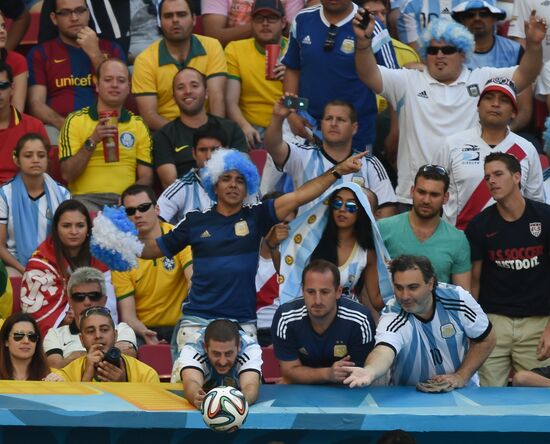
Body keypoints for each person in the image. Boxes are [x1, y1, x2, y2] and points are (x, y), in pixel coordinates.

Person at [139, 146, 369, 352]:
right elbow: (152, 250)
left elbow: (300, 196)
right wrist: (117, 244)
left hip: (242, 322)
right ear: (214, 185)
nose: (233, 184)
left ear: (247, 185)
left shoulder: (256, 216)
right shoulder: (194, 221)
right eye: (226, 178)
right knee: (189, 384)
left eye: (240, 180)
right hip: (197, 320)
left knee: (248, 388)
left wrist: (337, 171)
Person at [353, 12, 546, 206]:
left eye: (447, 49)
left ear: (462, 53)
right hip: (416, 196)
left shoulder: (480, 79)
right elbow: (369, 74)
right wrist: (362, 44)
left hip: (465, 196)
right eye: (432, 50)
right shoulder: (407, 80)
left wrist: (534, 46)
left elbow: (525, 74)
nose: (439, 55)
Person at [343, 255, 495, 388]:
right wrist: (370, 371)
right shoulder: (393, 313)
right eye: (399, 288)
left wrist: (461, 376)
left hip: (461, 389)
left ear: (430, 283)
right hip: (409, 395)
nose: (405, 296)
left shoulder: (458, 299)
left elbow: (487, 339)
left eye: (413, 287)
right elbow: (384, 350)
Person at [466, 152, 550, 386]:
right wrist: (476, 330)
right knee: (490, 402)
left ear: (517, 176)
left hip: (539, 322)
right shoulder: (479, 225)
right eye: (487, 177)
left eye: (498, 174)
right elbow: (474, 282)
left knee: (540, 401)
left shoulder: (545, 218)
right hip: (495, 323)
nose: (491, 180)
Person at [282, 0, 398, 151]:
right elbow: (293, 69)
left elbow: (395, 84)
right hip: (307, 130)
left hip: (356, 135)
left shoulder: (370, 25)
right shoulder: (302, 20)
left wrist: (395, 131)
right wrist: (292, 113)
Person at [435, 78, 544, 229]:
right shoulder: (452, 144)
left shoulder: (527, 149)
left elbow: (536, 203)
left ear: (514, 112)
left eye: (504, 100)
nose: (495, 104)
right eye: (488, 98)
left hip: (512, 243)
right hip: (461, 241)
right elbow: (434, 193)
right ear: (478, 106)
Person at [264, 97, 396, 217]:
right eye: (328, 118)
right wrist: (277, 118)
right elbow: (273, 147)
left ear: (354, 128)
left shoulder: (370, 164)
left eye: (340, 119)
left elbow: (386, 211)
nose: (333, 123)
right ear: (321, 125)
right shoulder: (303, 155)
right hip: (308, 242)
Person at [277, 182, 392, 314]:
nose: (342, 209)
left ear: (362, 211)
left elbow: (377, 301)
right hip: (311, 317)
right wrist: (272, 245)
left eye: (351, 206)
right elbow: (286, 270)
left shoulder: (367, 252)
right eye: (337, 203)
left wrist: (397, 278)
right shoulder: (311, 241)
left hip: (348, 320)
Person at [59, 58, 153, 212]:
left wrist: (127, 198)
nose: (115, 85)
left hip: (123, 202)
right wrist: (93, 140)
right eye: (108, 80)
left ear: (128, 87)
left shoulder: (138, 124)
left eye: (121, 80)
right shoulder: (75, 120)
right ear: (97, 85)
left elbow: (146, 177)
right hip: (85, 200)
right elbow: (67, 174)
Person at [27, 0, 125, 144]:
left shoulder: (112, 49)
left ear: (88, 13)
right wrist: (67, 125)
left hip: (107, 123)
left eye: (80, 11)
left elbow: (119, 95)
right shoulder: (40, 53)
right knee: (46, 138)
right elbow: (36, 104)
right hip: (59, 126)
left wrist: (95, 54)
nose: (74, 18)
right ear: (54, 18)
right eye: (65, 13)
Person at [20, 199, 118, 336]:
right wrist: (66, 320)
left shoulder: (100, 257)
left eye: (80, 225)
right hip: (59, 337)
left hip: (98, 331)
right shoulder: (41, 261)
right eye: (66, 226)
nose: (74, 231)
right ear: (56, 229)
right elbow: (38, 320)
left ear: (88, 229)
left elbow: (109, 306)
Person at [272, 259, 375, 384]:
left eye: (324, 292)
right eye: (310, 292)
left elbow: (359, 375)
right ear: (302, 290)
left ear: (338, 292)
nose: (317, 301)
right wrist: (328, 374)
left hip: (348, 392)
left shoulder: (360, 320)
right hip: (301, 390)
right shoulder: (285, 317)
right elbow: (288, 372)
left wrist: (298, 375)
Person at [113, 185, 193, 346]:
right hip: (143, 329)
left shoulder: (178, 237)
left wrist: (187, 322)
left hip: (182, 324)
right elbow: (128, 315)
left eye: (143, 208)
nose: (137, 215)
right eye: (130, 211)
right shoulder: (122, 254)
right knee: (124, 347)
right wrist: (145, 332)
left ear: (157, 209)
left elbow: (194, 281)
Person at [132, 0, 227, 132]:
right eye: (168, 16)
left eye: (181, 14)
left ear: (194, 19)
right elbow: (149, 116)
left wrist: (213, 134)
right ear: (160, 22)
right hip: (166, 134)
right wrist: (184, 135)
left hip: (208, 130)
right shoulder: (145, 60)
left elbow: (217, 97)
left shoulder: (212, 46)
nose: (175, 20)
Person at [378, 165, 472, 290]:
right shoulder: (383, 228)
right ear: (412, 191)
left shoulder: (458, 239)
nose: (426, 200)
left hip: (439, 309)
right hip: (390, 308)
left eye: (434, 195)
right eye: (421, 192)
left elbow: (462, 297)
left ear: (445, 198)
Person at [153, 67, 247, 189]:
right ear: (174, 98)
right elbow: (171, 184)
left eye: (194, 85)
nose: (188, 91)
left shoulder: (231, 129)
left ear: (206, 93)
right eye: (181, 88)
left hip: (228, 198)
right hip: (186, 202)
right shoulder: (163, 136)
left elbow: (244, 172)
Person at [451, 1, 533, 135]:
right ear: (461, 20)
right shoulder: (450, 52)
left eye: (483, 14)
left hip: (508, 130)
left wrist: (501, 135)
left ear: (495, 18)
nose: (477, 18)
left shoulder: (514, 49)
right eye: (470, 15)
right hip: (461, 130)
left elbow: (525, 109)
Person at [0, 133, 70, 277]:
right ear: (16, 159)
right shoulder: (4, 194)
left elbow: (68, 241)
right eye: (28, 155)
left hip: (55, 265)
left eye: (41, 155)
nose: (35, 160)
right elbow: (0, 246)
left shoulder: (62, 194)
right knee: (9, 277)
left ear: (47, 159)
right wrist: (24, 270)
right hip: (16, 266)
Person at [44, 266, 137, 369]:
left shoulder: (122, 329)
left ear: (104, 300)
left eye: (94, 296)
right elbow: (55, 367)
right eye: (79, 297)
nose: (87, 302)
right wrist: (110, 351)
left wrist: (75, 356)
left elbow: (129, 355)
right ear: (70, 301)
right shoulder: (55, 334)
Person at [225, 0, 287, 149]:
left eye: (272, 18)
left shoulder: (297, 51)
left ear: (283, 22)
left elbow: (304, 104)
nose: (265, 23)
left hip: (287, 127)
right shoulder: (235, 50)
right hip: (251, 127)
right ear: (252, 22)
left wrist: (291, 78)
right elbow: (230, 101)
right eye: (259, 18)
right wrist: (244, 127)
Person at [52, 306, 159, 382]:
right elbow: (70, 412)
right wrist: (87, 376)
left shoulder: (146, 374)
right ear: (81, 339)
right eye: (90, 331)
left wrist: (123, 386)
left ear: (116, 335)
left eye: (104, 329)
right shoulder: (65, 376)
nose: (98, 335)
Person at [174, 319, 262, 407]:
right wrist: (195, 396)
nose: (222, 362)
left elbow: (250, 386)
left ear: (239, 346)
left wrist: (240, 403)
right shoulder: (192, 349)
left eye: (228, 354)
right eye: (216, 354)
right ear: (205, 347)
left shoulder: (250, 349)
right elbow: (191, 381)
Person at [157, 122, 223, 224]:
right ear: (194, 153)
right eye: (203, 150)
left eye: (214, 149)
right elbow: (155, 224)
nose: (209, 156)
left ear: (226, 151)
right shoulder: (181, 187)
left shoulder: (241, 184)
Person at [0, 62, 49, 185]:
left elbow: (45, 171)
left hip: (24, 193)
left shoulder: (34, 126)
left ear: (12, 88)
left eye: (3, 86)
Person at [201, 0, 304, 47]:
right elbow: (212, 37)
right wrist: (263, 25)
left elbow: (299, 35)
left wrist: (263, 23)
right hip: (232, 57)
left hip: (280, 57)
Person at [0, 312, 50, 381]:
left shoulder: (49, 376)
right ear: (6, 341)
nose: (26, 341)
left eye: (32, 336)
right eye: (18, 336)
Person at [0, 12, 27, 112]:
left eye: (3, 26)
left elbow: (17, 110)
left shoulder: (17, 61)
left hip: (10, 124)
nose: (2, 31)